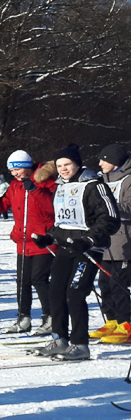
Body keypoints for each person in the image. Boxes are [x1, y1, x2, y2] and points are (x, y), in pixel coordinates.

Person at [31, 144, 118, 360]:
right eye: (59, 165)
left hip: (88, 249)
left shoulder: (94, 185)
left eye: (67, 164)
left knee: (75, 294)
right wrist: (49, 237)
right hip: (66, 247)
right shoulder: (61, 187)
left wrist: (88, 240)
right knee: (55, 292)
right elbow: (63, 221)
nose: (63, 169)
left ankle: (80, 344)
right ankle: (59, 339)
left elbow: (110, 219)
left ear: (77, 164)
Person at [0, 150, 57, 335]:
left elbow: (51, 208)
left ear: (27, 167)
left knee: (39, 279)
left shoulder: (44, 181)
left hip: (42, 240)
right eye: (12, 171)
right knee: (22, 281)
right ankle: (23, 318)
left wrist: (34, 190)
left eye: (17, 169)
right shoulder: (15, 185)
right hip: (23, 241)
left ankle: (50, 317)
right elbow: (2, 206)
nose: (14, 174)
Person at [93, 144, 131, 343]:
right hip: (106, 242)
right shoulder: (103, 179)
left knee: (118, 284)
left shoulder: (128, 179)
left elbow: (129, 206)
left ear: (115, 161)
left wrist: (108, 206)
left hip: (124, 241)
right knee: (104, 284)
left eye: (104, 160)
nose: (100, 163)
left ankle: (126, 323)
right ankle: (112, 320)